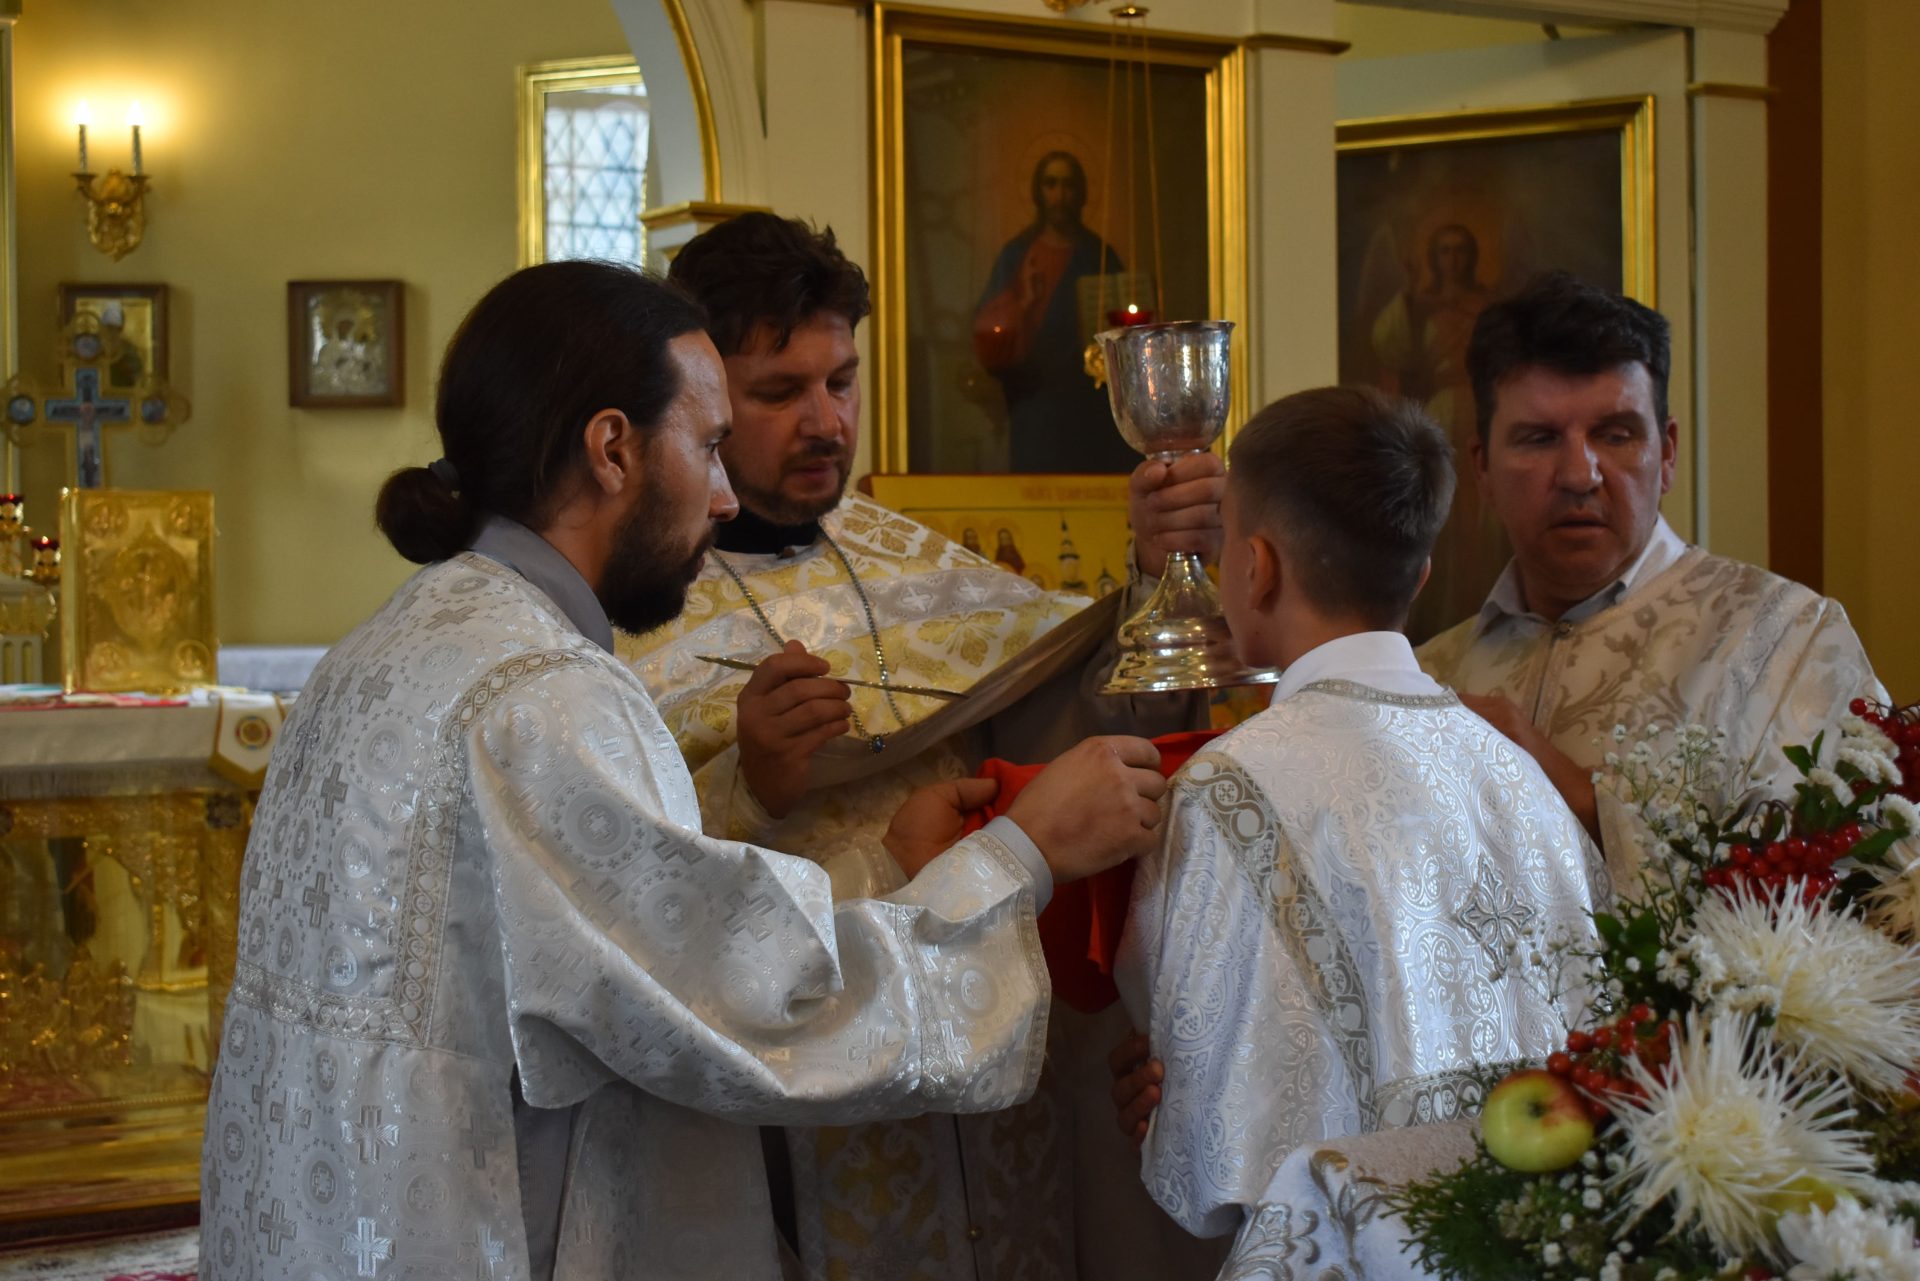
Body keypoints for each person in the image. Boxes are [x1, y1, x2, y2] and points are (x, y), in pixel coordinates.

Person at [199, 260, 1170, 1281]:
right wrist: (1020, 855)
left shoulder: (379, 648)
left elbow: (622, 950)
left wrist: (888, 866)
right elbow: (750, 1013)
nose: (723, 494)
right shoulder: (544, 696)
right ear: (613, 448)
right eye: (708, 444)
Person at [618, 212, 1223, 1281]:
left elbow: (1066, 728)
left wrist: (1152, 577)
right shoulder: (637, 614)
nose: (825, 421)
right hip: (812, 1083)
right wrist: (753, 783)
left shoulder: (916, 558)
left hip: (1001, 1069)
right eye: (779, 393)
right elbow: (625, 890)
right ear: (702, 395)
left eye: (841, 382)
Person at [1114, 385, 1597, 1254]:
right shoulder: (1518, 772)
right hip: (1542, 1247)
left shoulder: (1228, 790)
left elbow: (1199, 1141)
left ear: (1255, 566)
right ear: (1420, 575)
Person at [1416, 272, 1887, 868]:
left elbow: (1869, 882)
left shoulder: (1787, 642)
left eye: (1615, 435)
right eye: (1538, 439)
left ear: (1666, 453)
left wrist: (1579, 801)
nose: (1579, 475)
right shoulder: (1429, 676)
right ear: (1482, 469)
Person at [972, 151, 1136, 473]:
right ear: (1038, 191)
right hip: (1035, 402)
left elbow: (1123, 330)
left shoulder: (1098, 254)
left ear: (1080, 193)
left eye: (1068, 185)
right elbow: (989, 331)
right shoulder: (1018, 254)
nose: (1059, 195)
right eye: (1051, 184)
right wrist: (1024, 304)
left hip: (1088, 404)